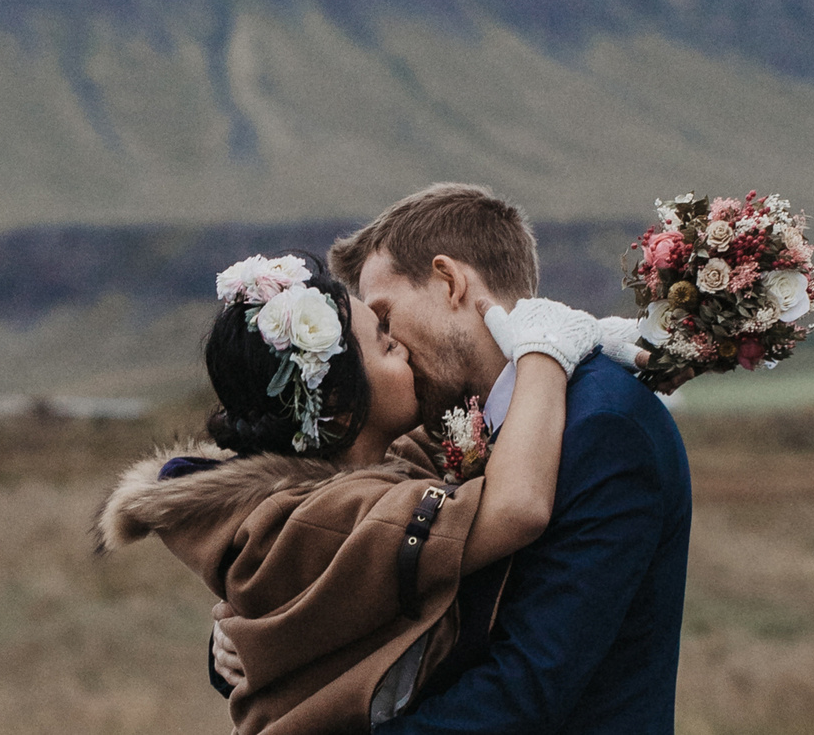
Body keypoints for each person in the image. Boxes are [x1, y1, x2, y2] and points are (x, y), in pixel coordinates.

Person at [97, 249, 607, 733]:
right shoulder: (334, 513)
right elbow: (516, 509)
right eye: (386, 344)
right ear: (341, 409)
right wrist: (545, 353)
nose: (402, 345)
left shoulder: (370, 471)